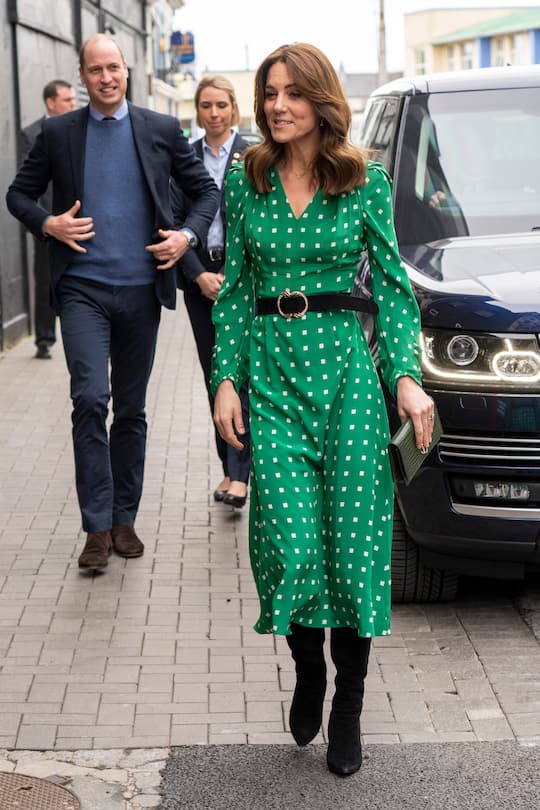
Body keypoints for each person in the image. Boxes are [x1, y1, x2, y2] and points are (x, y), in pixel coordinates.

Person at [211, 43, 434, 776]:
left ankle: (349, 702)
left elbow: (396, 287)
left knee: (354, 548)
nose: (277, 105)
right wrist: (226, 380)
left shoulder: (362, 178)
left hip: (346, 379)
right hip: (272, 376)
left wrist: (404, 376)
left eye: (292, 93)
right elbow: (238, 290)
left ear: (321, 100)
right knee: (290, 542)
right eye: (269, 92)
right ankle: (308, 666)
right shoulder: (247, 181)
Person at [7, 34, 219, 572]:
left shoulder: (160, 129)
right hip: (81, 288)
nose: (106, 77)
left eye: (114, 68)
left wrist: (186, 238)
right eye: (95, 70)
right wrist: (47, 222)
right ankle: (96, 527)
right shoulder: (58, 133)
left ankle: (125, 518)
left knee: (130, 410)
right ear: (82, 76)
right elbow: (18, 194)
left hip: (141, 293)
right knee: (88, 399)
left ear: (127, 71)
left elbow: (205, 194)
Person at [171, 75, 251, 508]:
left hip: (245, 275)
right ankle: (230, 468)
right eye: (206, 106)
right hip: (201, 272)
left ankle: (240, 475)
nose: (214, 113)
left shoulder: (254, 152)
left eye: (221, 105)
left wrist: (238, 277)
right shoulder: (186, 158)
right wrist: (198, 273)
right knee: (214, 375)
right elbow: (172, 216)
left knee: (244, 372)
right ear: (197, 110)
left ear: (233, 108)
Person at [18, 79, 77, 359]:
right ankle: (44, 340)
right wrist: (46, 222)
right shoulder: (30, 135)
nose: (73, 105)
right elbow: (27, 185)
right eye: (67, 100)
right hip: (47, 223)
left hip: (78, 221)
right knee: (44, 282)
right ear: (51, 102)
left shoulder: (80, 129)